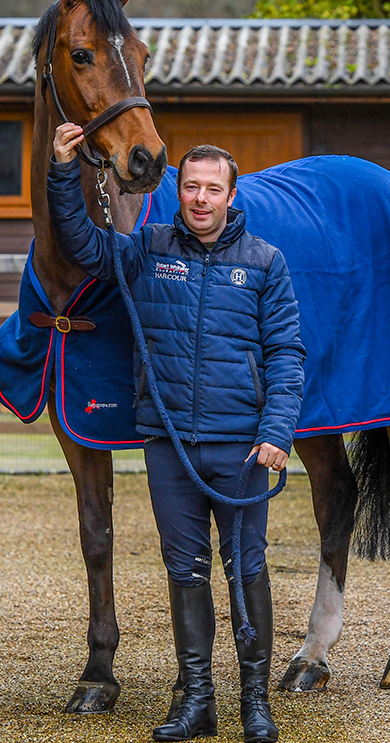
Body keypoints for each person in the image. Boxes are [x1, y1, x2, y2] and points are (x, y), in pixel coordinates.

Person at [49, 125, 305, 743]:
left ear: (230, 195)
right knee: (184, 570)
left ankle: (254, 705)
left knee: (246, 569)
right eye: (191, 186)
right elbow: (81, 242)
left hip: (242, 447)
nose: (200, 198)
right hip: (168, 446)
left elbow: (287, 355)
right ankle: (197, 702)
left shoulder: (265, 264)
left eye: (212, 189)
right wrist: (63, 171)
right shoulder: (146, 251)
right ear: (179, 191)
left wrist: (276, 432)